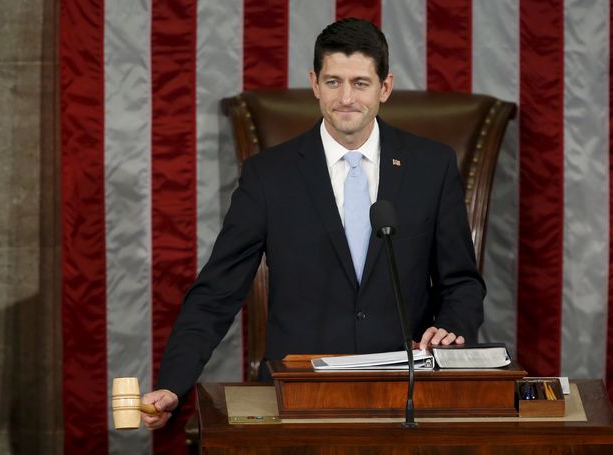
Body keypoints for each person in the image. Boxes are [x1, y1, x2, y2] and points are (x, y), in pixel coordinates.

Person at [142, 18, 485, 430]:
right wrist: (173, 386)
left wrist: (451, 327)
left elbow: (461, 281)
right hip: (300, 393)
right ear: (315, 83)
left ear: (385, 88)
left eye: (360, 83)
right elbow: (217, 291)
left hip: (406, 391)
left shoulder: (431, 166)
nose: (346, 98)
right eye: (333, 81)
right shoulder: (269, 175)